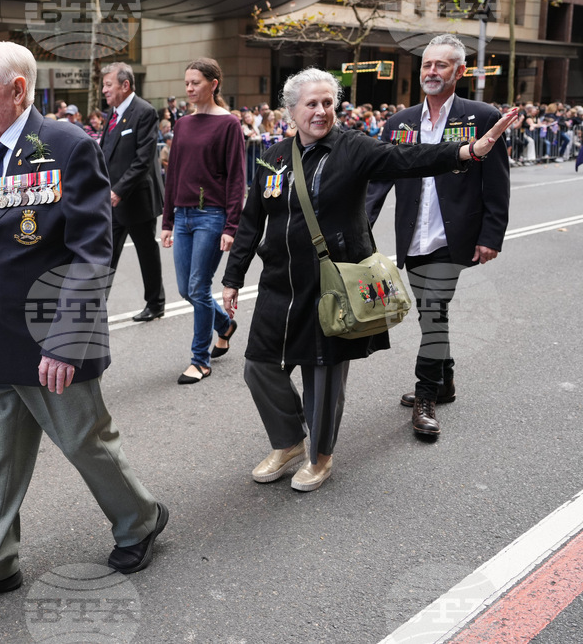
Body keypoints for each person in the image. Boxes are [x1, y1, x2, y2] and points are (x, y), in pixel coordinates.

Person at [0, 41, 166, 608]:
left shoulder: (67, 145)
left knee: (87, 443)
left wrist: (65, 340)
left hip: (51, 337)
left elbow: (91, 250)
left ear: (17, 89)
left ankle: (140, 520)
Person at [221, 67, 516, 492]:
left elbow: (408, 159)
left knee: (322, 373)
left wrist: (468, 151)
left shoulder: (354, 148)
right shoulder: (272, 156)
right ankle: (287, 442)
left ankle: (320, 457)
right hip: (280, 281)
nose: (321, 112)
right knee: (258, 366)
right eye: (311, 104)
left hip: (333, 280)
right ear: (291, 110)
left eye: (328, 103)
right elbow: (251, 221)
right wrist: (232, 278)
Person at [365, 34, 511, 438]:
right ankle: (444, 380)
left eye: (441, 65)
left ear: (459, 72)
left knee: (433, 313)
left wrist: (491, 235)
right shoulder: (400, 122)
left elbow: (497, 183)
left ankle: (425, 395)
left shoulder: (481, 117)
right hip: (413, 237)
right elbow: (379, 181)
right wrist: (358, 227)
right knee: (430, 314)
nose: (431, 71)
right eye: (427, 64)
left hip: (454, 236)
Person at [161, 58, 243, 384]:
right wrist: (167, 221)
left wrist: (231, 226)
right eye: (187, 83)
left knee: (198, 286)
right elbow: (173, 174)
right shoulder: (182, 124)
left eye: (195, 82)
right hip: (182, 215)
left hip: (212, 215)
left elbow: (237, 179)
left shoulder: (229, 125)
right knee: (186, 289)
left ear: (214, 83)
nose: (190, 88)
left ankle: (200, 360)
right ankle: (224, 324)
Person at [100, 61, 166, 322]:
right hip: (112, 200)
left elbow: (143, 159)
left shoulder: (144, 112)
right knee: (106, 253)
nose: (104, 90)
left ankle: (156, 303)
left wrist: (118, 191)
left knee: (146, 253)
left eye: (108, 84)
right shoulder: (113, 115)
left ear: (125, 85)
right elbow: (107, 155)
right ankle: (96, 305)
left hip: (136, 198)